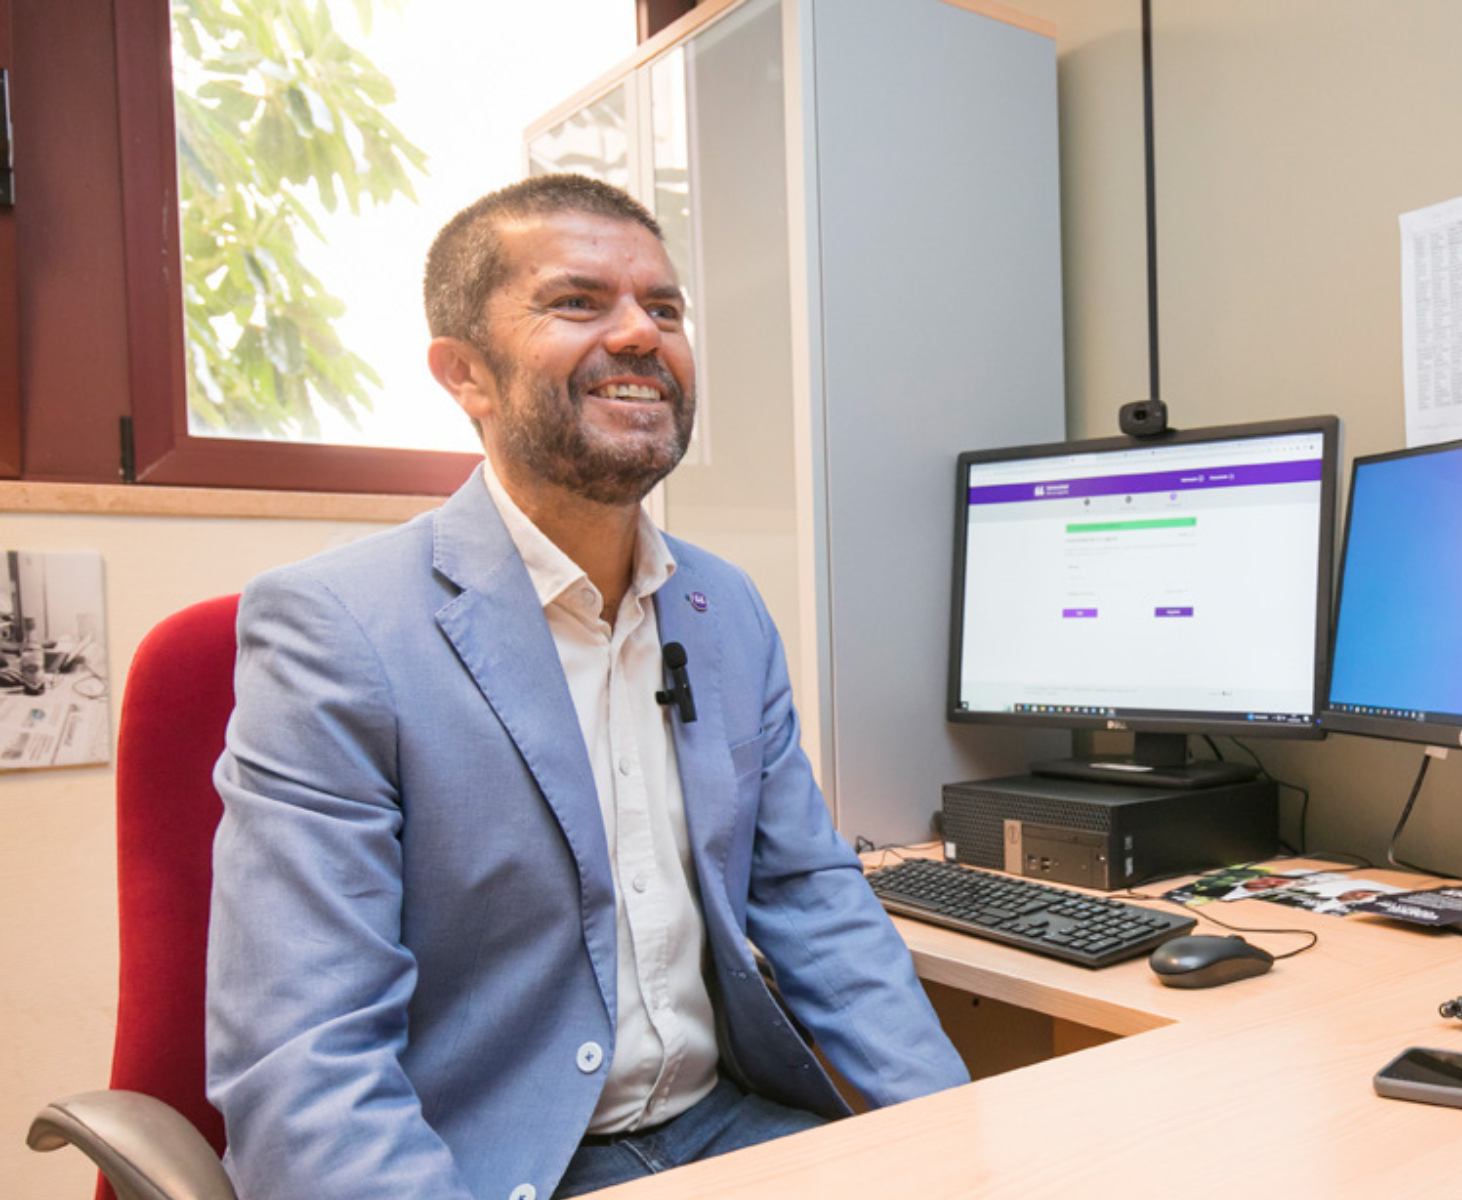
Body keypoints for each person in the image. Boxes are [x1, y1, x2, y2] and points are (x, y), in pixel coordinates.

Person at [206, 174, 969, 1200]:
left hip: (726, 1126)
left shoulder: (724, 609)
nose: (642, 334)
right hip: (483, 1167)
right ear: (465, 374)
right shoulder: (336, 628)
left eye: (665, 309)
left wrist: (956, 1142)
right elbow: (305, 1055)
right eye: (577, 302)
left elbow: (809, 897)